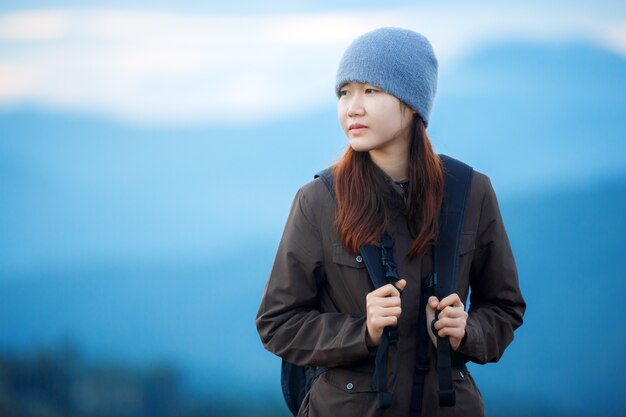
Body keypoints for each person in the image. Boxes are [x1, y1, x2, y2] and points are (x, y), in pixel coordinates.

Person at [256, 27, 525, 417]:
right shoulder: (318, 200)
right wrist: (361, 330)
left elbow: (505, 306)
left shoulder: (471, 192)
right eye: (344, 92)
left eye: (371, 90)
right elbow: (277, 322)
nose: (353, 107)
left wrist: (466, 331)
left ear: (412, 102)